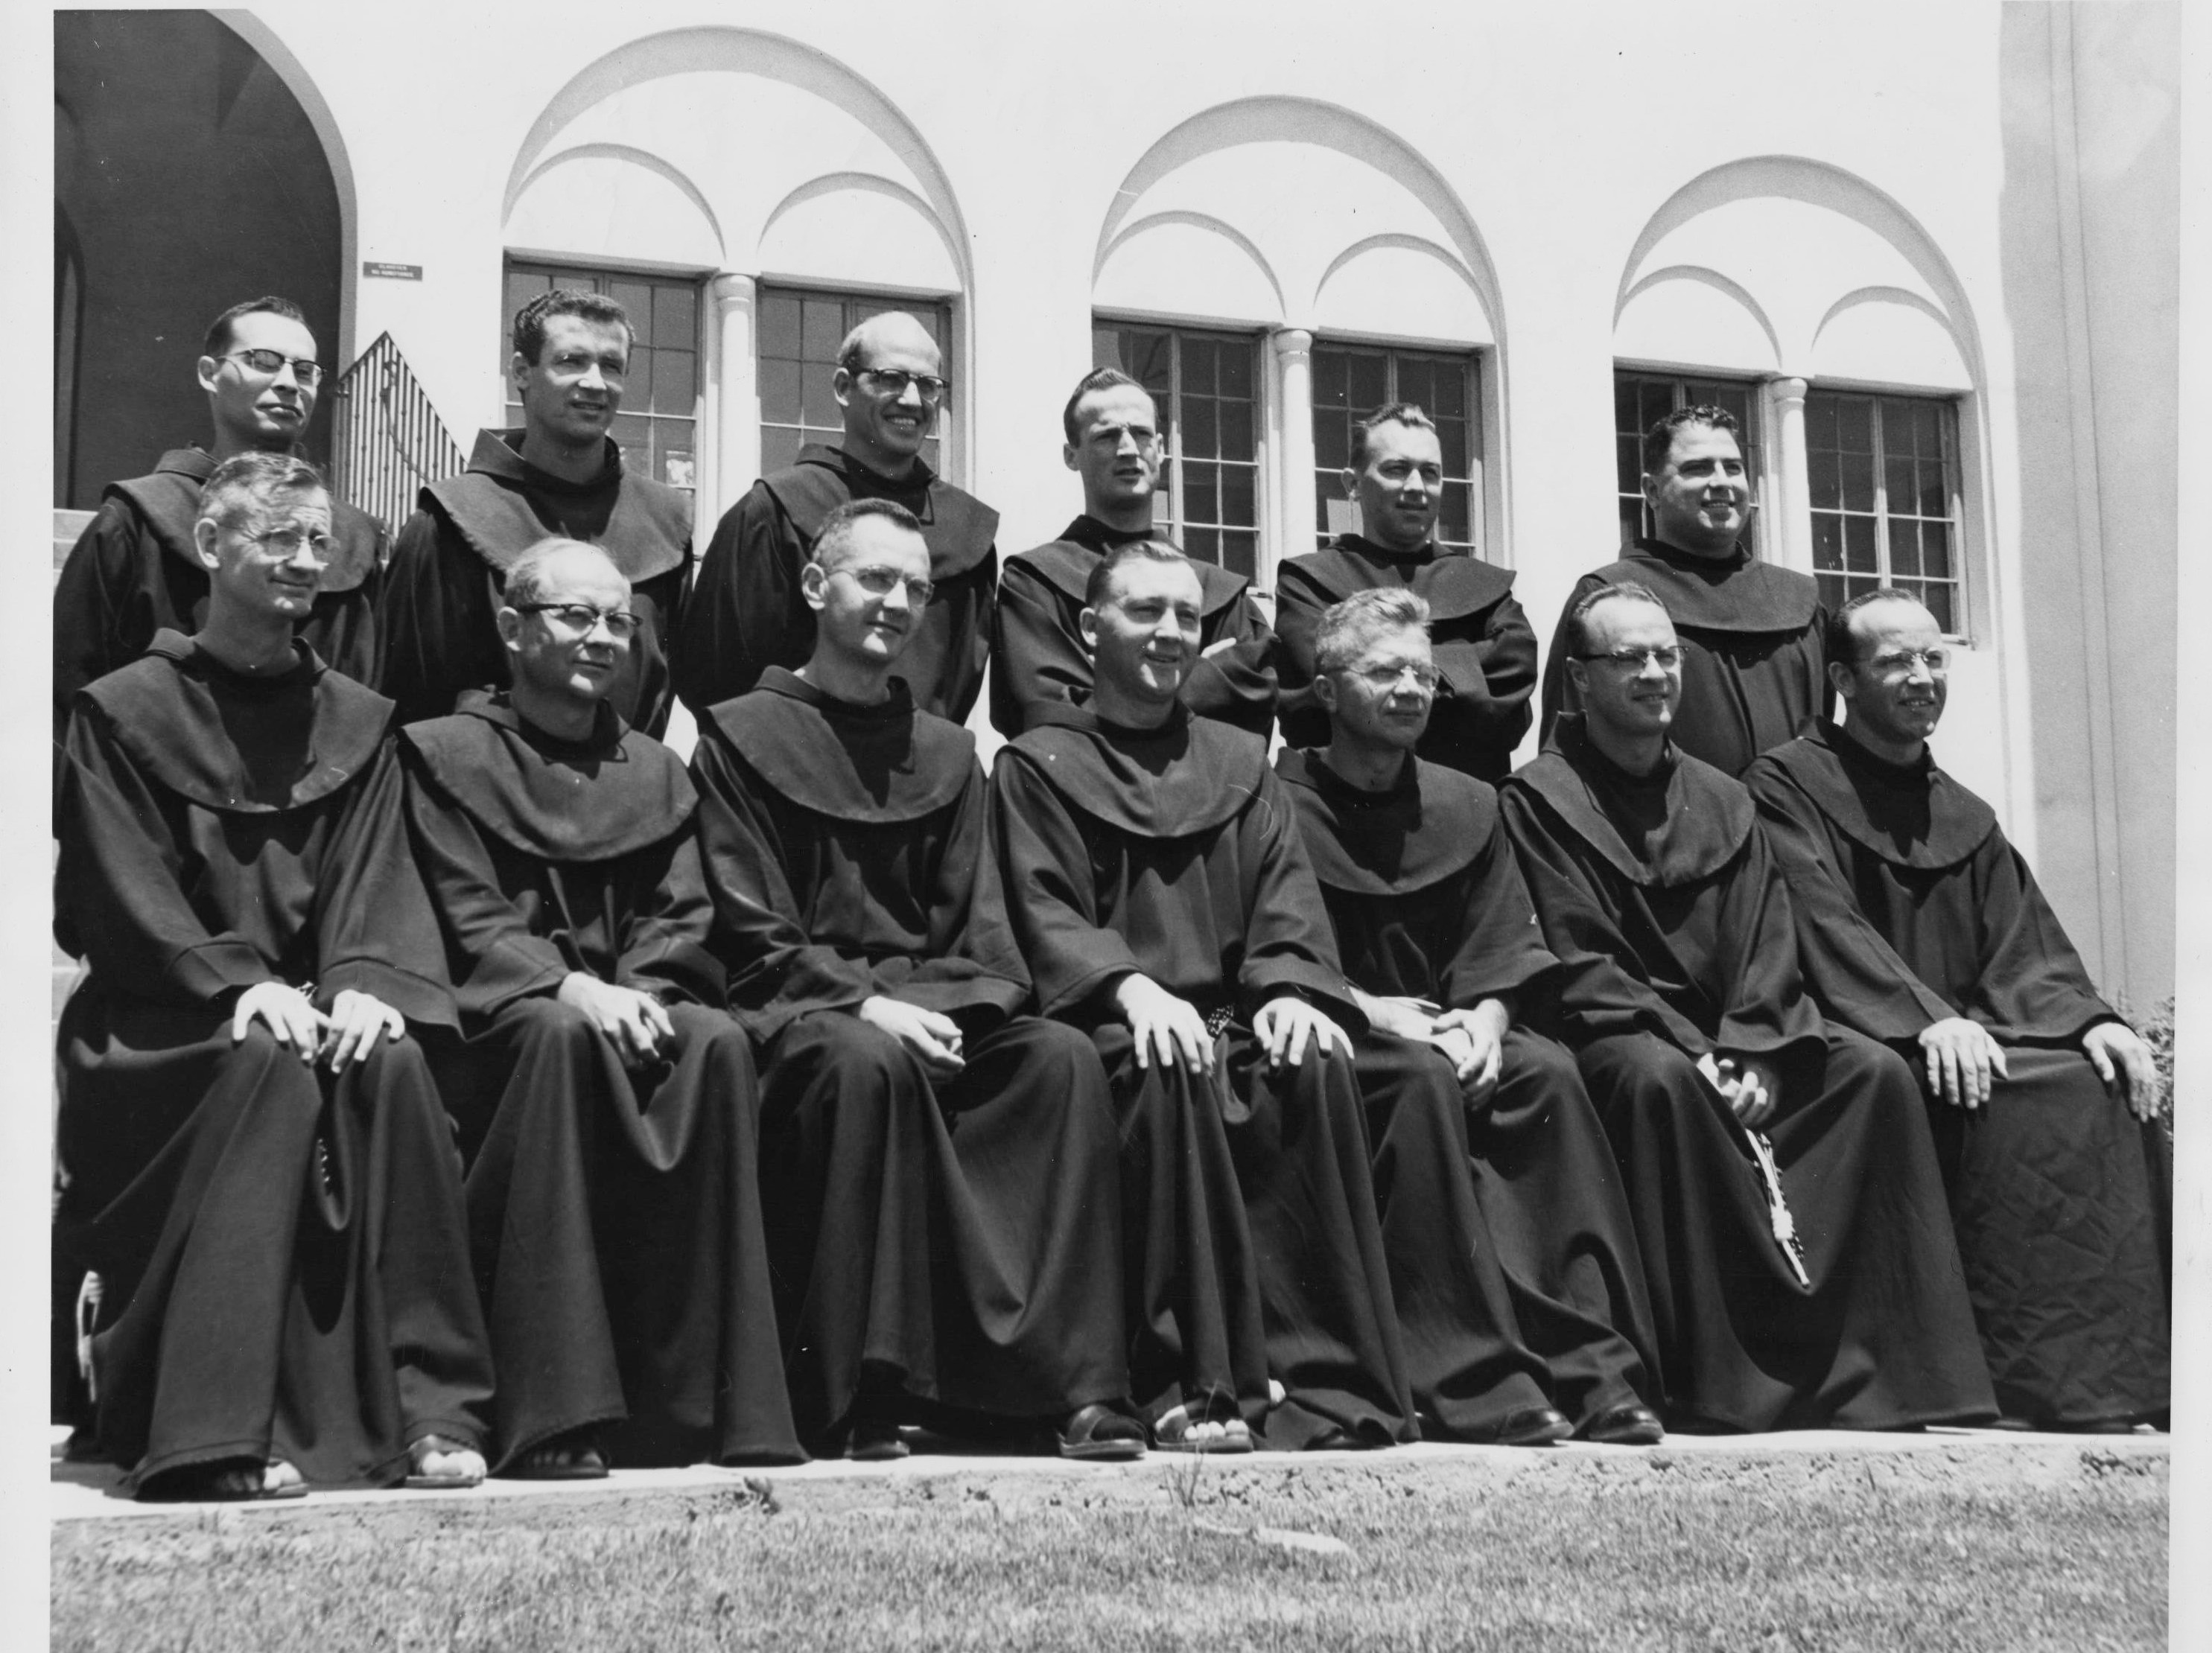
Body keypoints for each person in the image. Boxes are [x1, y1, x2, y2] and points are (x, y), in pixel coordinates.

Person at [52, 451, 492, 1500]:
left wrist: (362, 979)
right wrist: (234, 984)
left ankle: (430, 1414)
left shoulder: (357, 720)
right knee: (264, 1063)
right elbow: (121, 890)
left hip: (310, 1002)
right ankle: (213, 1432)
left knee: (394, 1066)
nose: (305, 560)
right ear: (210, 546)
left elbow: (375, 876)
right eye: (279, 537)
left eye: (318, 543)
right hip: (163, 1017)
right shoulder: (121, 710)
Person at [689, 498, 1144, 1462]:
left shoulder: (946, 753)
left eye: (917, 589)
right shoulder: (736, 738)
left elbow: (983, 928)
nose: (897, 604)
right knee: (862, 1061)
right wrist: (867, 1004)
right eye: (875, 580)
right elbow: (749, 928)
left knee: (1058, 1061)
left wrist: (929, 1010)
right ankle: (866, 1391)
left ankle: (1065, 1389)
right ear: (815, 587)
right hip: (804, 1016)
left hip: (938, 1010)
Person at [1499, 582, 1995, 1431]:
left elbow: (1770, 938)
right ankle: (1717, 1384)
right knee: (1657, 1081)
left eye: (1666, 656)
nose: (1654, 674)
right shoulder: (1538, 800)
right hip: (1622, 1035)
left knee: (1872, 1074)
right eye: (1629, 659)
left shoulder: (1725, 798)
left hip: (1744, 1037)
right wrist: (1701, 1053)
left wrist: (1760, 1046)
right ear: (1579, 679)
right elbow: (1579, 957)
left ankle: (1888, 1380)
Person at [381, 538, 798, 1475]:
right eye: (577, 616)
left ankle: (692, 1409)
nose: (603, 638)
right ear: (511, 627)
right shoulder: (442, 753)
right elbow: (462, 908)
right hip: (497, 1017)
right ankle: (552, 1415)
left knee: (715, 1041)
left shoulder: (654, 770)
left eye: (619, 621)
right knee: (558, 1033)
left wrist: (641, 991)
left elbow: (680, 912)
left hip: (625, 1004)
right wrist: (568, 983)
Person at [990, 538, 1416, 1452]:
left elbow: (1284, 898)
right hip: (1109, 1022)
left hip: (1229, 1013)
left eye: (1187, 615)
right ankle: (1187, 1385)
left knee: (1311, 1061)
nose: (1171, 632)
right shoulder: (1038, 762)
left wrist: (1293, 986)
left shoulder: (1239, 760)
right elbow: (1041, 907)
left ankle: (1327, 1391)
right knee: (1163, 1064)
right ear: (1090, 625)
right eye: (1145, 610)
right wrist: (1130, 987)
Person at [1744, 590, 2168, 1430]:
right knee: (1966, 1085)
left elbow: (2026, 947)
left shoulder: (1965, 813)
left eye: (1933, 659)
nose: (1921, 677)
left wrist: (2095, 1020)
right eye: (1896, 662)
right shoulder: (1787, 784)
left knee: (2091, 1083)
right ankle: (2001, 1378)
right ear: (1843, 679)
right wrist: (1923, 1016)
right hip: (1852, 1029)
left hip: (1966, 1031)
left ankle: (2103, 1383)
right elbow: (1818, 919)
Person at [1277, 588, 1662, 1444]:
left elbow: (1503, 942)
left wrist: (1486, 1022)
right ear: (1328, 691)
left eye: (1422, 674)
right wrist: (1375, 1012)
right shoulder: (1274, 799)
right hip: (1340, 1030)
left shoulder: (1469, 802)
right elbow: (1269, 943)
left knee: (1545, 1073)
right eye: (1385, 672)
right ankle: (1469, 1379)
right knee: (1418, 1081)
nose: (1410, 690)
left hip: (1456, 1030)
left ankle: (1595, 1373)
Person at [54, 296, 386, 736]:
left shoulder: (354, 537)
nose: (289, 383)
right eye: (263, 361)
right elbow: (67, 691)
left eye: (305, 370)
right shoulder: (137, 518)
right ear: (210, 373)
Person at [376, 290, 690, 736]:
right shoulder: (449, 518)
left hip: (628, 772)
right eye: (571, 361)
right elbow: (406, 694)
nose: (596, 383)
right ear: (522, 372)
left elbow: (667, 684)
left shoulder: (666, 520)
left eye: (611, 366)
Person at [676, 312, 997, 722]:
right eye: (891, 379)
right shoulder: (773, 511)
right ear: (844, 387)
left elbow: (958, 686)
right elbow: (716, 678)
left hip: (919, 755)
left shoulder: (968, 532)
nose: (912, 400)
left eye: (928, 385)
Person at [1539, 406, 1829, 776]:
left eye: (1733, 468)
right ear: (1652, 491)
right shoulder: (1607, 598)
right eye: (1698, 468)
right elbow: (1567, 749)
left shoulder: (1799, 601)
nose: (1722, 482)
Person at [990, 368, 1276, 740]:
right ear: (1071, 456)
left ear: (1161, 448)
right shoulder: (1035, 584)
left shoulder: (1219, 593)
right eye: (1107, 436)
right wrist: (1200, 677)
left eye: (1140, 433)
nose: (1128, 449)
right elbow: (1048, 711)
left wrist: (1114, 685)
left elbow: (1251, 711)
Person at [1274, 404, 1536, 782]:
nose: (1416, 487)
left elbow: (1511, 696)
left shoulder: (1487, 588)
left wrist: (1377, 679)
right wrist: (1466, 678)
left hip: (1469, 795)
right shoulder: (1309, 581)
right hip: (1343, 801)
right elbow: (1311, 708)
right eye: (1396, 469)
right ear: (1352, 484)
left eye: (1430, 473)